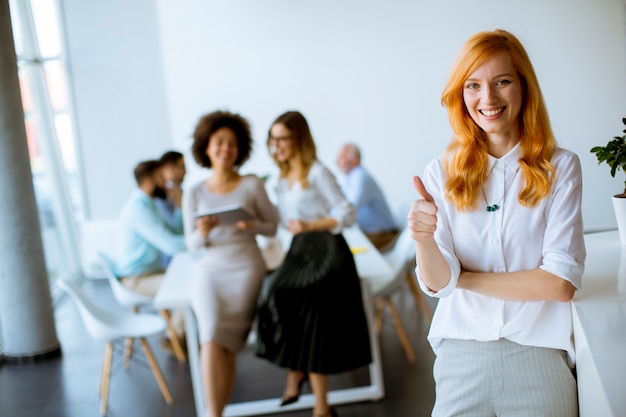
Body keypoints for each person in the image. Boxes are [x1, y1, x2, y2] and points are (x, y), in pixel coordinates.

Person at [408, 29, 585, 417]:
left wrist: (464, 279)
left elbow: (558, 284)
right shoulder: (440, 173)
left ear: (524, 86)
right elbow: (438, 284)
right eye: (473, 85)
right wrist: (423, 239)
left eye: (501, 81)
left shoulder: (561, 167)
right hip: (461, 356)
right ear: (461, 94)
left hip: (539, 354)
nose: (487, 99)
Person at [256, 110, 372, 417]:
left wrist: (311, 226)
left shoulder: (318, 173)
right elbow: (284, 222)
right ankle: (297, 372)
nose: (276, 145)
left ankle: (316, 398)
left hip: (327, 252)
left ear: (299, 139)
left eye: (283, 138)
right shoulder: (281, 179)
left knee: (310, 315)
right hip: (300, 250)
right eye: (272, 139)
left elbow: (347, 214)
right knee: (274, 291)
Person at [182, 110, 279, 417]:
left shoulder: (251, 185)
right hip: (211, 271)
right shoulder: (194, 191)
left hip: (247, 269)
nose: (226, 149)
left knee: (227, 345)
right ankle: (214, 414)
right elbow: (191, 245)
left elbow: (272, 226)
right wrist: (202, 233)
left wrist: (251, 226)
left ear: (241, 149)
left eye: (232, 144)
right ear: (206, 147)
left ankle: (218, 412)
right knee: (210, 338)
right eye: (219, 142)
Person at [116, 159, 187, 348]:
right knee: (184, 288)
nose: (165, 183)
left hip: (151, 272)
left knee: (190, 279)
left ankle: (181, 334)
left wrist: (179, 207)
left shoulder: (149, 204)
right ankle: (174, 339)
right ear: (149, 182)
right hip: (136, 280)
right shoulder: (139, 209)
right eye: (161, 178)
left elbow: (175, 232)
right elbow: (171, 245)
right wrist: (201, 241)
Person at [336, 143, 398, 250]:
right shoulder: (348, 178)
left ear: (355, 160)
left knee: (343, 248)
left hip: (383, 235)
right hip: (371, 233)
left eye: (342, 157)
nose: (337, 160)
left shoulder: (360, 176)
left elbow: (351, 209)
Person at [156, 150, 187, 267]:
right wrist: (180, 206)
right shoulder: (159, 198)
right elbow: (175, 232)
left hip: (183, 254)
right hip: (170, 262)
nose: (185, 172)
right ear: (169, 168)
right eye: (182, 167)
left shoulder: (179, 192)